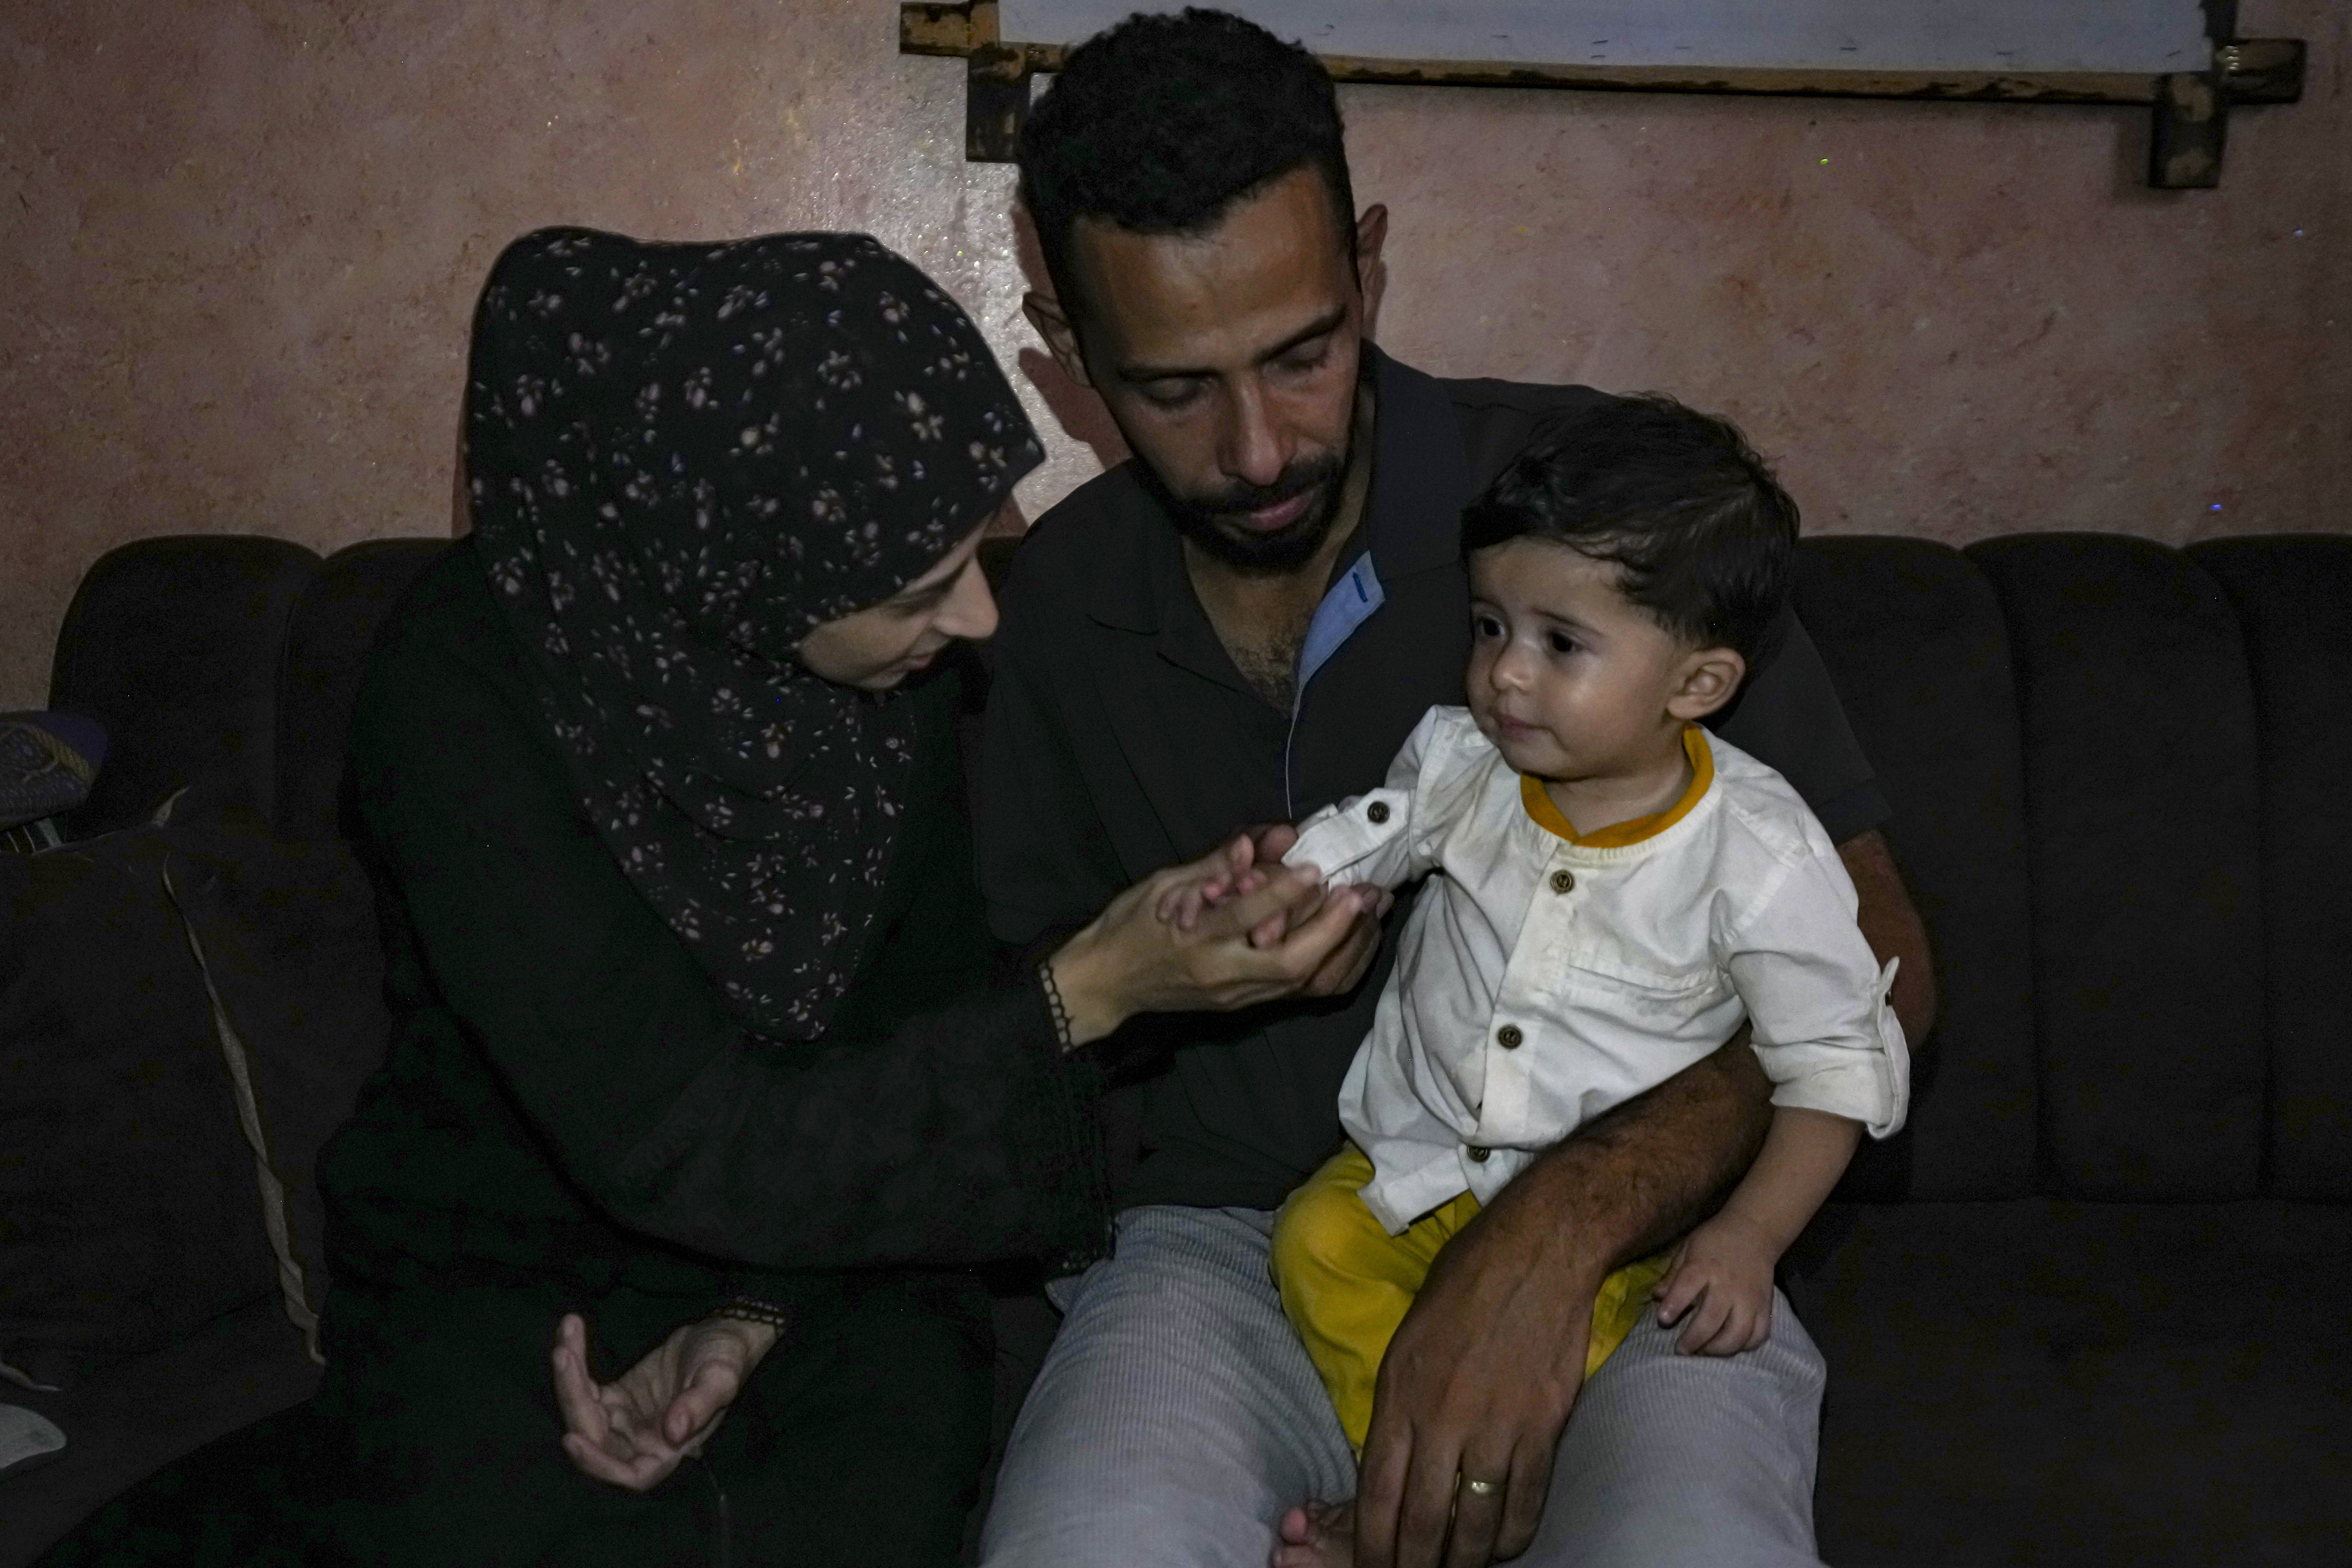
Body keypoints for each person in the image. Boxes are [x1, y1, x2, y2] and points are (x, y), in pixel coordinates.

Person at [104, 226, 1383, 1568]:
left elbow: (920, 1016)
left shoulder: (880, 687)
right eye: (919, 590)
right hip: (509, 1255)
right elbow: (678, 1128)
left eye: (974, 555)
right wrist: (1096, 986)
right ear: (730, 562)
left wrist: (757, 1309)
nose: (978, 625)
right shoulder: (457, 697)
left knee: (873, 1480)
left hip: (854, 1248)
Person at [974, 12, 1936, 1568]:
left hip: (1633, 1258)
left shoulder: (1591, 518)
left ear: (1366, 269)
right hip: (1220, 1255)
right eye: (1170, 389)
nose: (1257, 446)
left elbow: (1881, 967)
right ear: (1065, 351)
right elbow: (998, 1014)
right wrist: (1135, 974)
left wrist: (1557, 1226)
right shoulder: (1053, 600)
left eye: (1302, 352)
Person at [1159, 394, 1910, 1565]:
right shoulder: (1462, 764)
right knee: (1314, 1243)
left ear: (1699, 684)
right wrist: (1264, 887)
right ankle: (1416, 1489)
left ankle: (1487, 1496)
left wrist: (1752, 1239)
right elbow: (1365, 837)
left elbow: (1833, 1064)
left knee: (1587, 1376)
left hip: (1617, 1247)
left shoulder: (1759, 855)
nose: (1504, 676)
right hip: (1416, 1176)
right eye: (1490, 625)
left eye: (1561, 643)